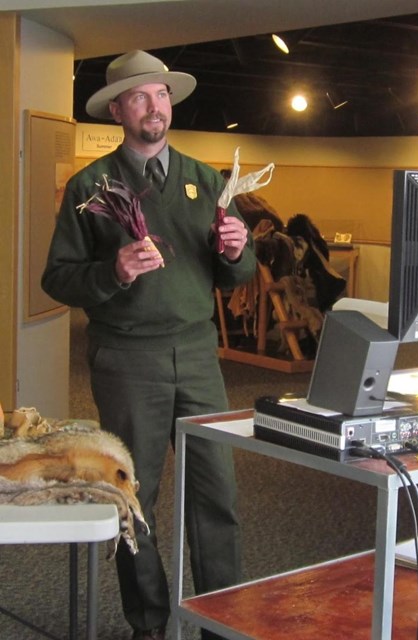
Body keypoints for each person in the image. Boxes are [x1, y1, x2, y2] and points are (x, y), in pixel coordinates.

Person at [41, 50, 256, 640]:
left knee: (216, 493)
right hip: (127, 358)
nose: (155, 105)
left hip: (196, 355)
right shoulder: (90, 187)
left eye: (161, 94)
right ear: (118, 110)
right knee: (133, 501)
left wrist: (238, 251)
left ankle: (222, 619)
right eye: (140, 96)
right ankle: (150, 622)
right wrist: (113, 270)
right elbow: (57, 278)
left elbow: (236, 274)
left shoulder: (207, 180)